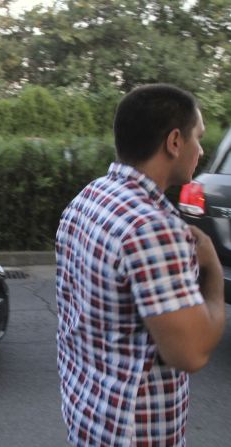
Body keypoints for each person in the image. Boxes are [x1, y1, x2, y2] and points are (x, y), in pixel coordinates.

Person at [55, 84, 225, 446]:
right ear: (174, 142)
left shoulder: (89, 198)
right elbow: (190, 353)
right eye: (198, 137)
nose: (202, 149)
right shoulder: (154, 229)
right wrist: (211, 271)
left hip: (88, 417)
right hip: (135, 434)